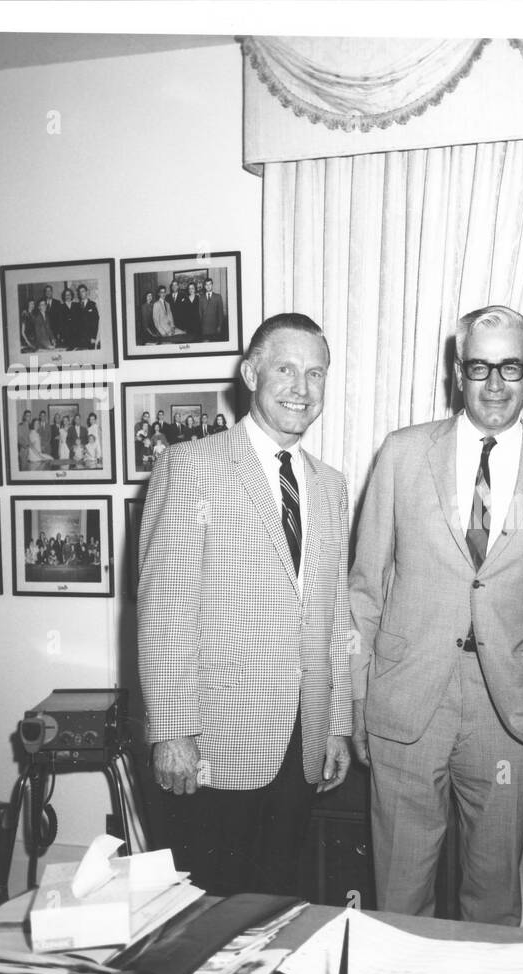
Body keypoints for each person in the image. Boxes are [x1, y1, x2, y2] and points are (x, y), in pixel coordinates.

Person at [350, 304, 523, 926]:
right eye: (479, 366)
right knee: (399, 899)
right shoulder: (403, 456)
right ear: (458, 372)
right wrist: (356, 700)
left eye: (510, 367)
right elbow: (366, 589)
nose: (494, 383)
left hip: (509, 712)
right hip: (408, 701)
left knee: (493, 900)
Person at [138, 312, 353, 896]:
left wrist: (335, 724)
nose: (301, 388)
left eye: (315, 373)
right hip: (214, 742)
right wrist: (172, 732)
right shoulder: (190, 467)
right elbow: (165, 614)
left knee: (276, 908)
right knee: (206, 917)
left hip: (301, 744)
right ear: (250, 372)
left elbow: (335, 618)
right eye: (285, 368)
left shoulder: (332, 486)